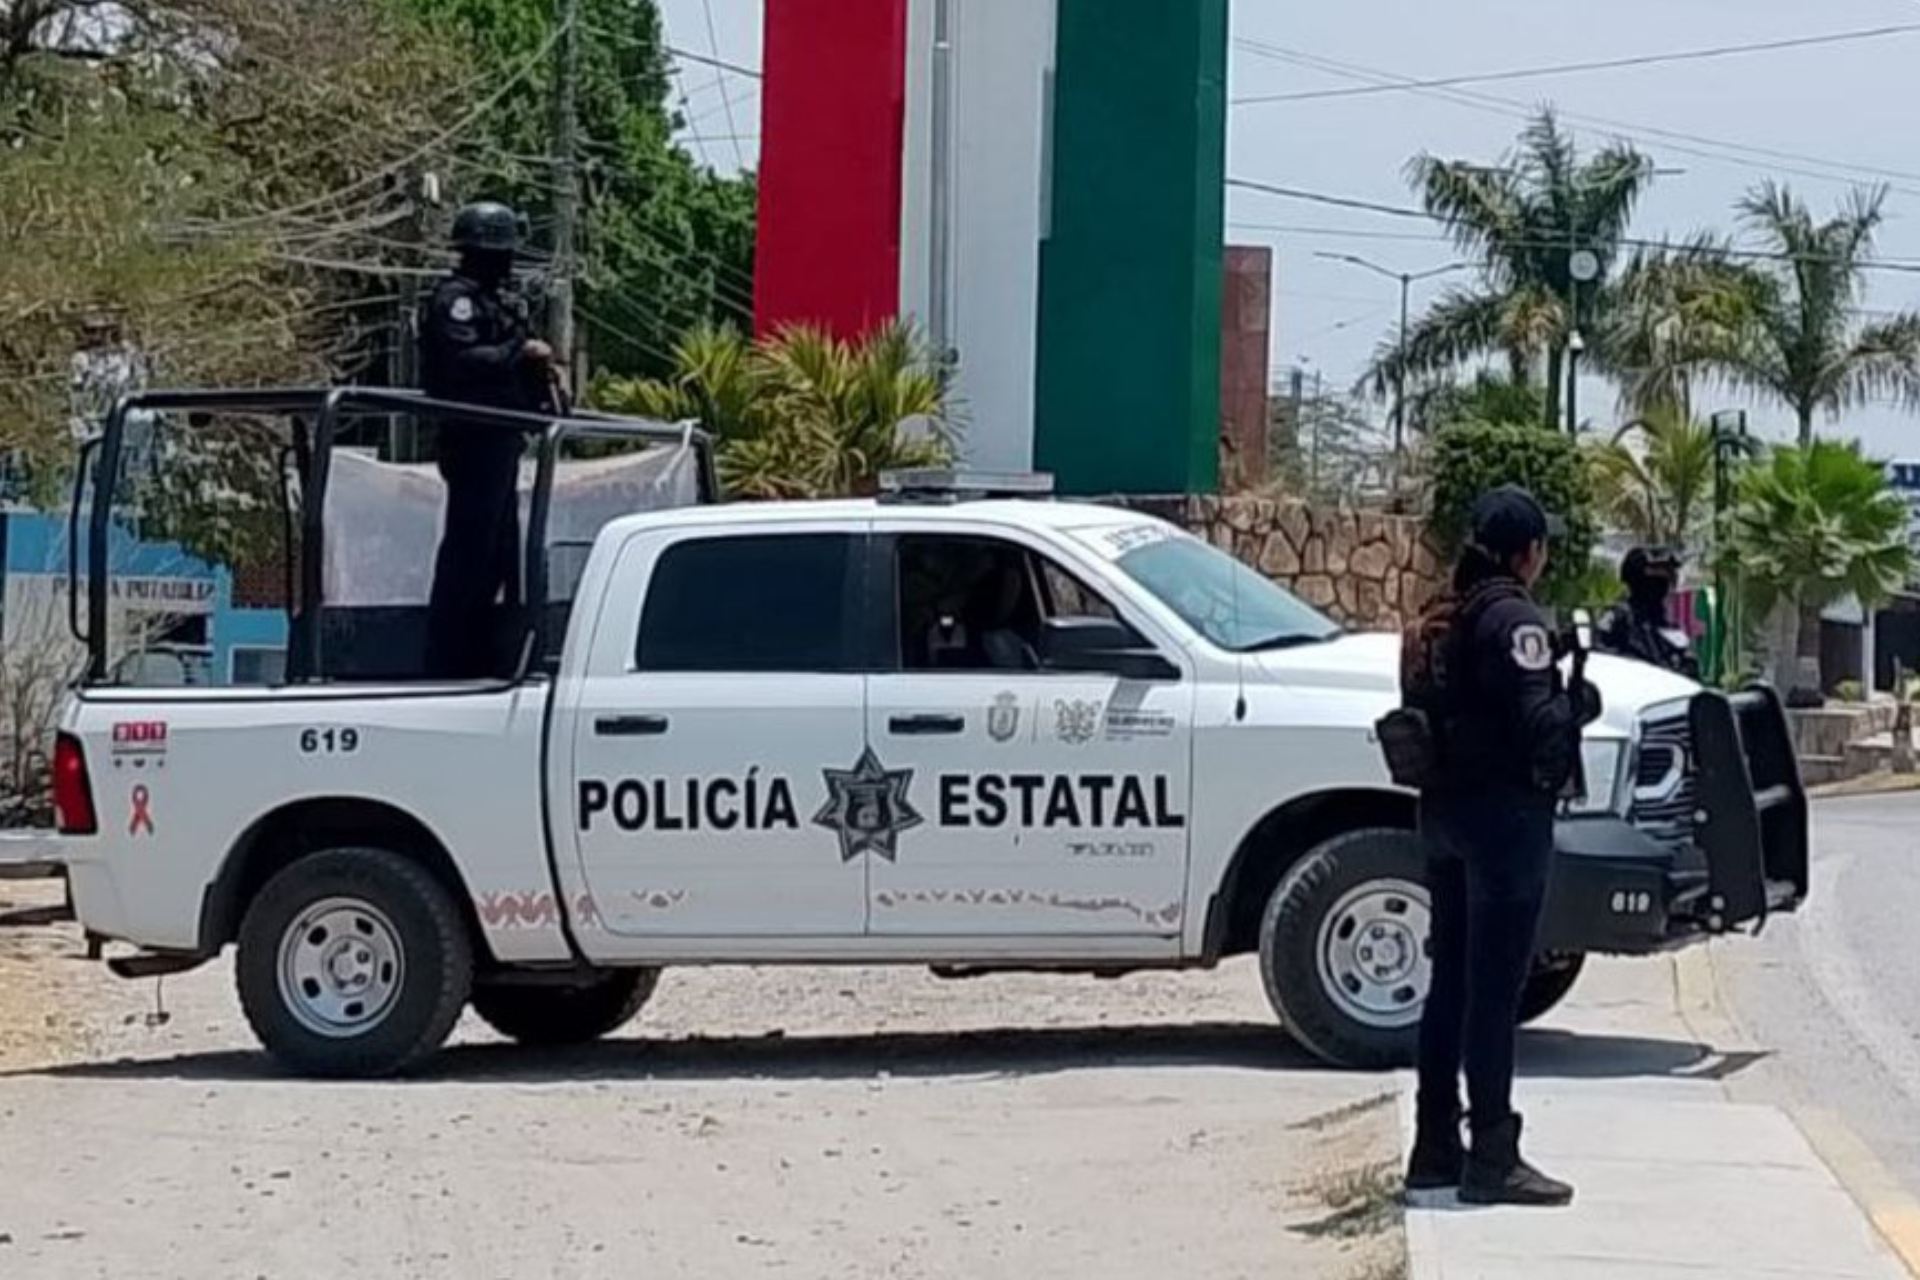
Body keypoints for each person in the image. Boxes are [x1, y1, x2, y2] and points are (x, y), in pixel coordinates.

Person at [1401, 484, 1600, 1207]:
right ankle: (1493, 1152)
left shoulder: (1440, 615)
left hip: (1444, 817)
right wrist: (1576, 703)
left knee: (1449, 984)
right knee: (1494, 992)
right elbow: (1540, 728)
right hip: (1503, 826)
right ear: (1528, 553)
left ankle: (1433, 1146)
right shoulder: (1514, 619)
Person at [419, 201, 558, 678]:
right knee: (469, 551)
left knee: (501, 555)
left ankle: (483, 656)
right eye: (503, 253)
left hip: (502, 439)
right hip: (472, 438)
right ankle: (447, 661)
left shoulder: (495, 302)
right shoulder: (455, 301)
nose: (509, 262)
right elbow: (464, 363)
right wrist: (521, 348)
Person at [1596, 546, 1696, 676]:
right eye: (1658, 577)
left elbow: (1687, 667)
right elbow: (1602, 660)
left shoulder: (1669, 626)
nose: (1664, 585)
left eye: (1668, 577)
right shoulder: (1619, 619)